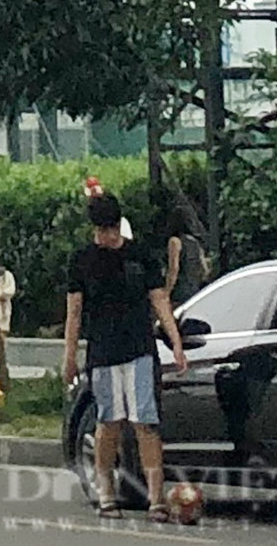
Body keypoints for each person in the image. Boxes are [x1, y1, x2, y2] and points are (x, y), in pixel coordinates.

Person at [62, 191, 187, 522]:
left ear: (120, 225)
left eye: (113, 228)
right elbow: (74, 311)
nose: (109, 236)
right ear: (95, 229)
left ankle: (156, 499)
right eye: (103, 230)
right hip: (103, 353)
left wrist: (175, 341)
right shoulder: (82, 261)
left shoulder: (141, 256)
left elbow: (159, 300)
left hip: (140, 350)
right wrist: (69, 356)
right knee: (109, 422)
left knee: (146, 422)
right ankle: (106, 493)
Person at [163, 198, 209, 306]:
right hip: (194, 290)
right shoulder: (195, 242)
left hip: (179, 292)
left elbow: (174, 268)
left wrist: (167, 291)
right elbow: (205, 269)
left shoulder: (175, 241)